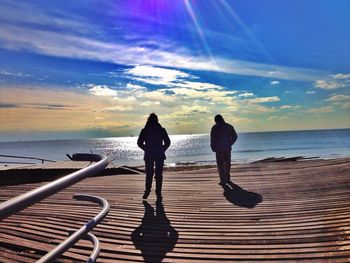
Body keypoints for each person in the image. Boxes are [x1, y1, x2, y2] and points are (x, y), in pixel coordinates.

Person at [137, 113, 171, 201]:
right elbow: (167, 142)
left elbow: (139, 143)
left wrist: (146, 149)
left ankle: (147, 191)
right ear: (157, 120)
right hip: (158, 154)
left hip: (150, 154)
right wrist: (162, 149)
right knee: (158, 174)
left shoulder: (145, 130)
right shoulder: (161, 129)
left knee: (149, 174)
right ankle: (158, 193)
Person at [210, 114, 238, 185]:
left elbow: (212, 139)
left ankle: (223, 180)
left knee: (220, 164)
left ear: (216, 120)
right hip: (227, 148)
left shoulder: (215, 127)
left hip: (219, 149)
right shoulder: (229, 126)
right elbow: (235, 136)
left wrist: (213, 147)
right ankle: (227, 178)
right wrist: (230, 143)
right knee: (227, 163)